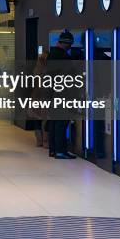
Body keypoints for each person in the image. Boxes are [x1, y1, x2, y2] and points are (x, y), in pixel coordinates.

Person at [46, 30, 77, 159]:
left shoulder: (51, 54)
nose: (70, 48)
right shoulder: (64, 57)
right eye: (70, 45)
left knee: (54, 122)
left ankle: (53, 150)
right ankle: (60, 151)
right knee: (62, 123)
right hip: (62, 94)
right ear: (67, 44)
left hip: (52, 93)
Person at [29, 51, 50, 147]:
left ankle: (39, 141)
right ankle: (46, 141)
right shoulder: (48, 70)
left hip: (35, 96)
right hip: (45, 96)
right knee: (45, 119)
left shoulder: (36, 70)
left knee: (36, 119)